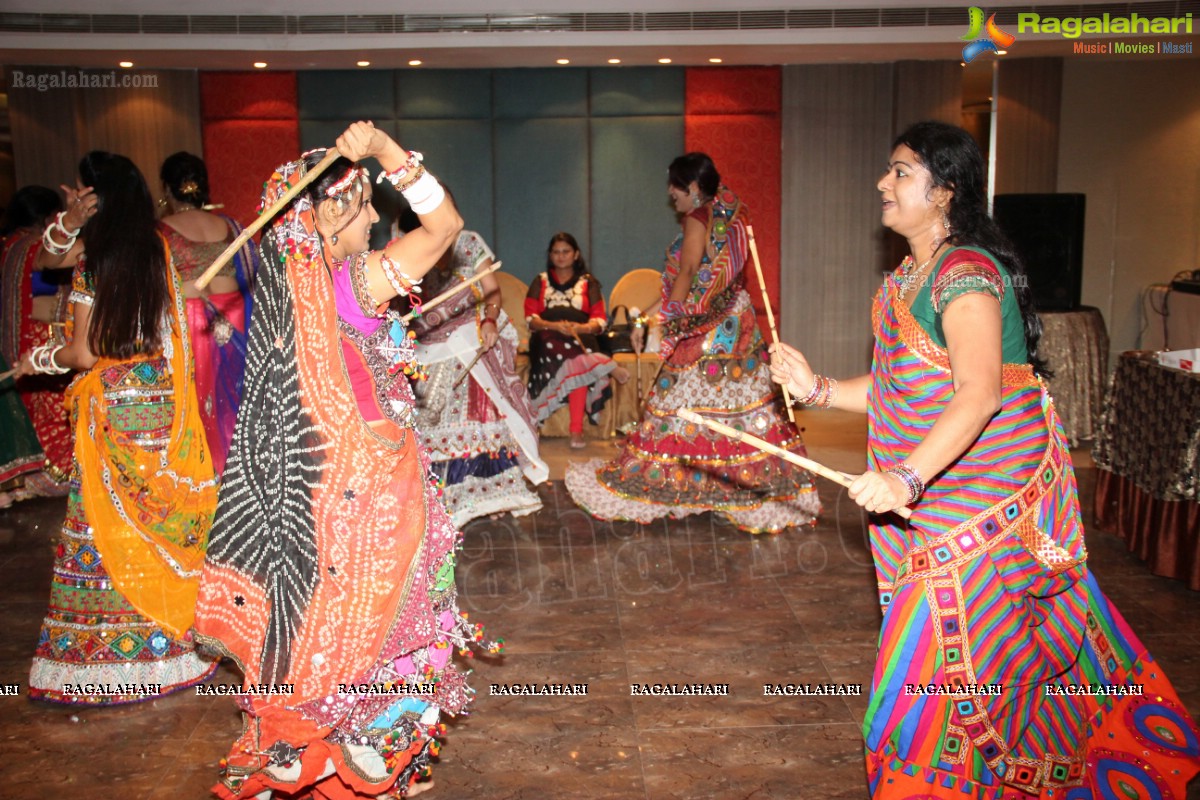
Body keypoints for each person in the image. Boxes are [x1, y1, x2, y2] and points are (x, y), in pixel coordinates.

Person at [769, 121, 1200, 797]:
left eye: (901, 172)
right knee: (974, 662)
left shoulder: (964, 274)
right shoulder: (910, 277)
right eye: (890, 170)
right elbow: (895, 386)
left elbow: (978, 393)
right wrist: (815, 387)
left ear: (945, 191)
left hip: (988, 495)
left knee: (942, 668)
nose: (884, 183)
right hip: (940, 493)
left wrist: (906, 476)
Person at [194, 122, 500, 800]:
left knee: (312, 632)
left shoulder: (277, 298)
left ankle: (305, 754)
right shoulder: (355, 284)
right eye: (363, 205)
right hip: (371, 503)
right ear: (333, 217)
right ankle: (366, 756)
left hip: (304, 502)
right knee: (383, 631)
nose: (373, 218)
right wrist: (391, 153)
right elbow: (445, 226)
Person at [21, 151, 219, 704]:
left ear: (96, 197)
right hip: (159, 403)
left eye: (82, 193)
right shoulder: (157, 253)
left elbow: (85, 352)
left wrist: (38, 361)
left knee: (106, 525)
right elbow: (50, 256)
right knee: (153, 522)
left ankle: (104, 657)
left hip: (114, 406)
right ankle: (165, 649)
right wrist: (70, 219)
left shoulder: (98, 260)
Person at [566, 153, 819, 533]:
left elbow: (686, 273)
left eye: (675, 186)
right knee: (739, 406)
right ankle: (743, 484)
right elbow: (695, 280)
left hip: (708, 328)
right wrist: (646, 314)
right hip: (738, 320)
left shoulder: (698, 220)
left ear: (695, 187)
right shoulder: (728, 215)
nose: (671, 194)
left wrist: (666, 319)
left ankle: (691, 484)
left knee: (677, 402)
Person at [409, 224, 548, 526]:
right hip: (429, 344)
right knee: (426, 417)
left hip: (469, 337)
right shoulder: (414, 245)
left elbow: (491, 290)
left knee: (480, 412)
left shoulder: (468, 242)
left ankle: (489, 492)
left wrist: (490, 320)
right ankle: (442, 495)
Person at [159, 151, 258, 475]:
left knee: (198, 397)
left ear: (166, 189)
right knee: (237, 395)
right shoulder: (230, 225)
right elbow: (254, 273)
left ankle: (203, 473)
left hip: (192, 319)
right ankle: (242, 466)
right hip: (235, 312)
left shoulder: (159, 230)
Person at [0, 185, 74, 493]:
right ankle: (53, 471)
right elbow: (48, 303)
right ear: (48, 218)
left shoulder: (8, 245)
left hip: (10, 341)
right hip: (36, 342)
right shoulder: (39, 248)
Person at [524, 232, 620, 449]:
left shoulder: (588, 282)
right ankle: (607, 367)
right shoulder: (540, 281)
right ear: (550, 255)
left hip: (580, 334)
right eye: (556, 252)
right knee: (568, 355)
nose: (561, 256)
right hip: (547, 335)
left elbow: (599, 320)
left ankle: (576, 429)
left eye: (565, 251)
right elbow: (531, 319)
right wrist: (554, 326)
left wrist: (581, 327)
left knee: (577, 358)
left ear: (576, 254)